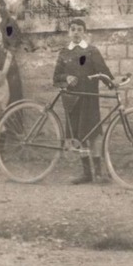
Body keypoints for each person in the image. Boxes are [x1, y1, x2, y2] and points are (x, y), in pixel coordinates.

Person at [53, 18, 114, 185]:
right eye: (73, 29)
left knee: (93, 134)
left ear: (85, 32)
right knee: (78, 137)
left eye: (80, 29)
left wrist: (112, 83)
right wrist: (67, 77)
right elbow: (56, 77)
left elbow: (103, 70)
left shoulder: (92, 51)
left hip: (89, 99)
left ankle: (99, 173)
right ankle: (87, 173)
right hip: (72, 100)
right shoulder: (64, 53)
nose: (76, 32)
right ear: (68, 32)